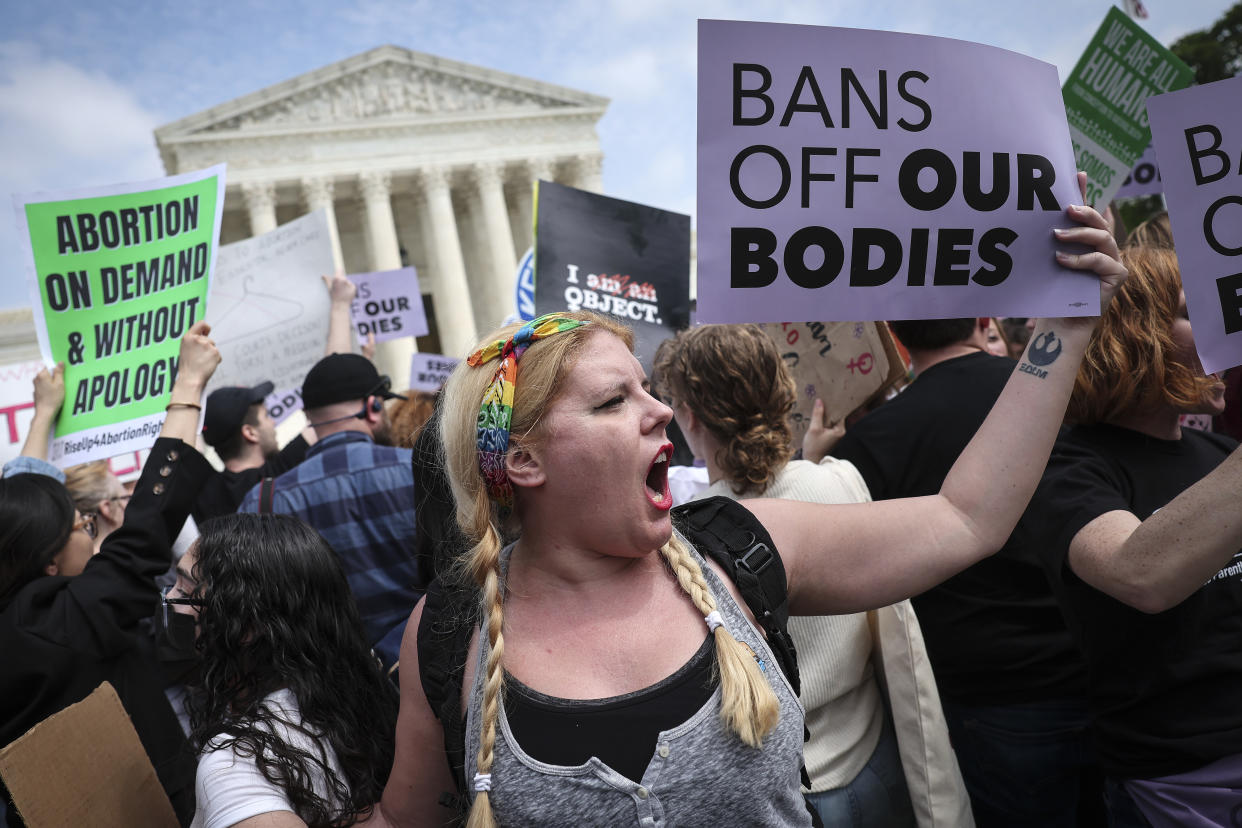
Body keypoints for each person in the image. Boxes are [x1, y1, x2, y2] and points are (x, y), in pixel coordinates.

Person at [360, 192, 1126, 828]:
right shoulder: (453, 625)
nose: (658, 413)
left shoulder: (740, 550)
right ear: (522, 460)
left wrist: (1063, 328)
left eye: (649, 389)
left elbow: (967, 517)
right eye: (612, 401)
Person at [654, 323, 969, 827]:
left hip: (796, 792)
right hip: (877, 762)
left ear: (689, 416)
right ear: (784, 391)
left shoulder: (691, 540)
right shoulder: (840, 480)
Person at [826, 314, 1104, 827]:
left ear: (896, 338)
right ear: (982, 320)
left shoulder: (869, 442)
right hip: (1095, 664)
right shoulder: (1063, 392)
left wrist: (819, 458)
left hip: (985, 689)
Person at [1011, 244, 1242, 826]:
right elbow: (1140, 575)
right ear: (1133, 334)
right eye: (1196, 313)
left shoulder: (1221, 453)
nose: (1225, 336)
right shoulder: (1064, 465)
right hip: (1184, 779)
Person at [1, 323, 223, 826]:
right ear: (49, 563)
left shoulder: (22, 611)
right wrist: (187, 386)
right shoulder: (66, 624)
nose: (87, 527)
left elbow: (17, 513)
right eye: (78, 526)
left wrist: (42, 415)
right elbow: (149, 519)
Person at [164, 513, 398, 828]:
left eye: (184, 589)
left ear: (245, 624)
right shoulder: (359, 696)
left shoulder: (235, 765)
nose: (168, 598)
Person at [237, 353, 419, 668]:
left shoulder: (261, 503)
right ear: (373, 407)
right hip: (430, 668)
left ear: (308, 415)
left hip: (331, 691)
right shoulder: (420, 471)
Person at [62, 460, 130, 552]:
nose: (130, 503)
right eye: (126, 498)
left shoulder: (65, 562)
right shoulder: (125, 562)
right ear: (107, 507)